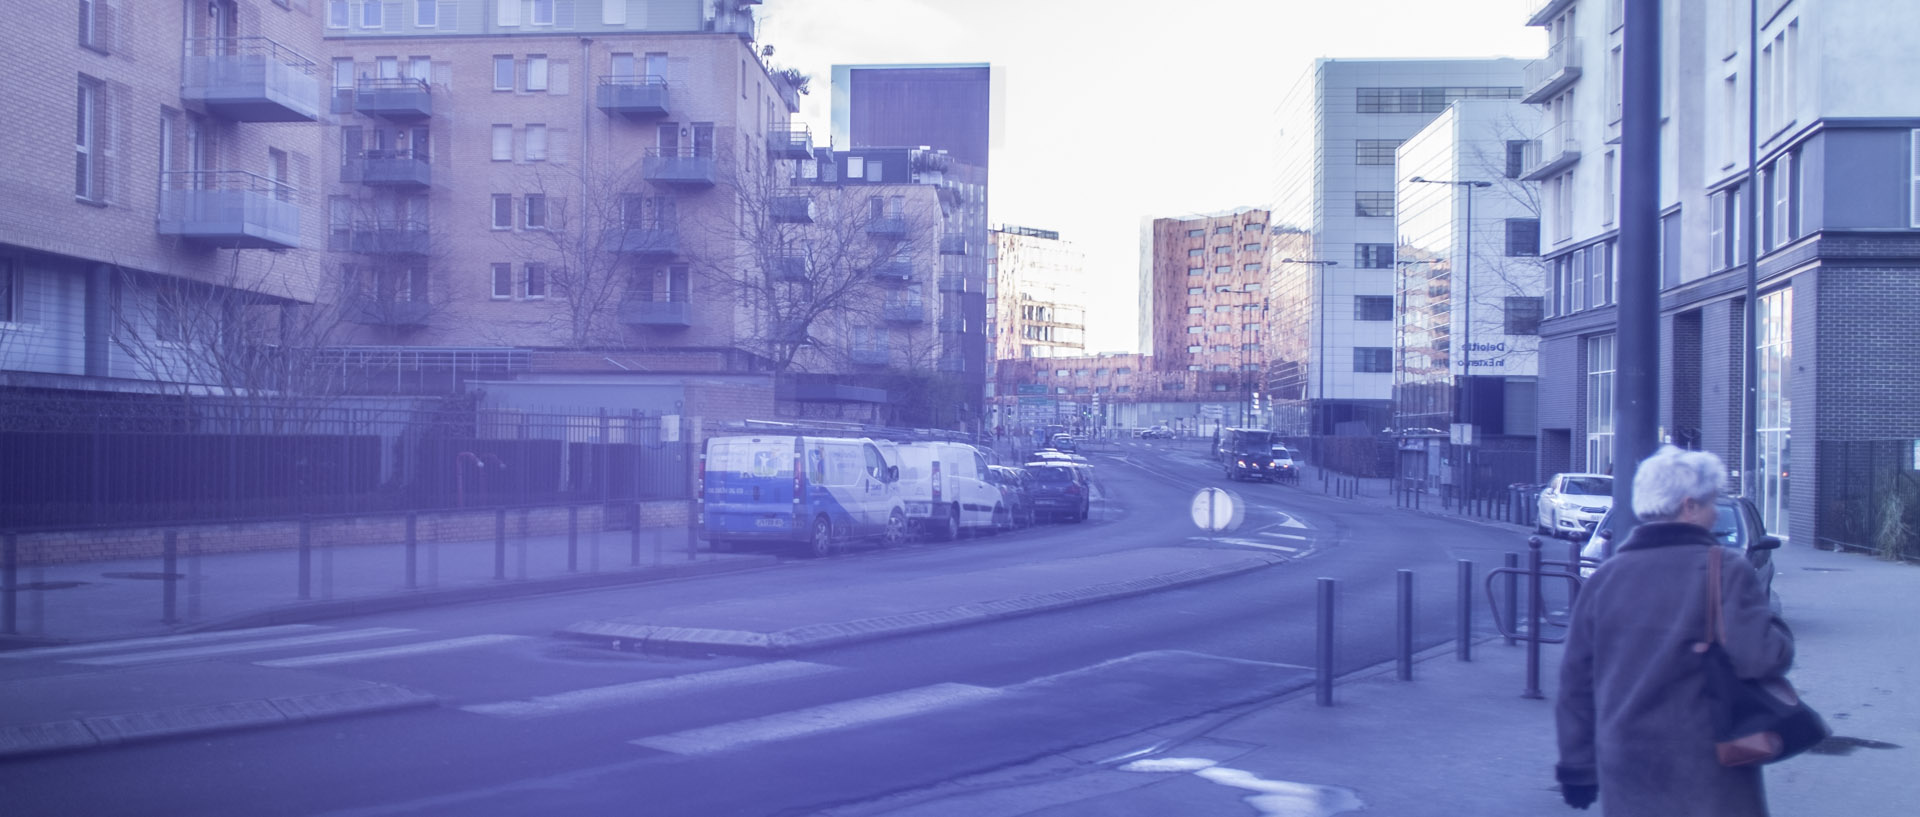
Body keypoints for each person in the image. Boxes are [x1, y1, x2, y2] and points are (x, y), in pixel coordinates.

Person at [1555, 446, 1795, 815]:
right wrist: (1774, 622)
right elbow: (1761, 659)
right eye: (1711, 502)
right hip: (1707, 766)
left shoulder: (1606, 578)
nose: (1715, 513)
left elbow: (1575, 681)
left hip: (1627, 764)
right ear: (1689, 506)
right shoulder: (1725, 570)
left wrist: (1578, 766)